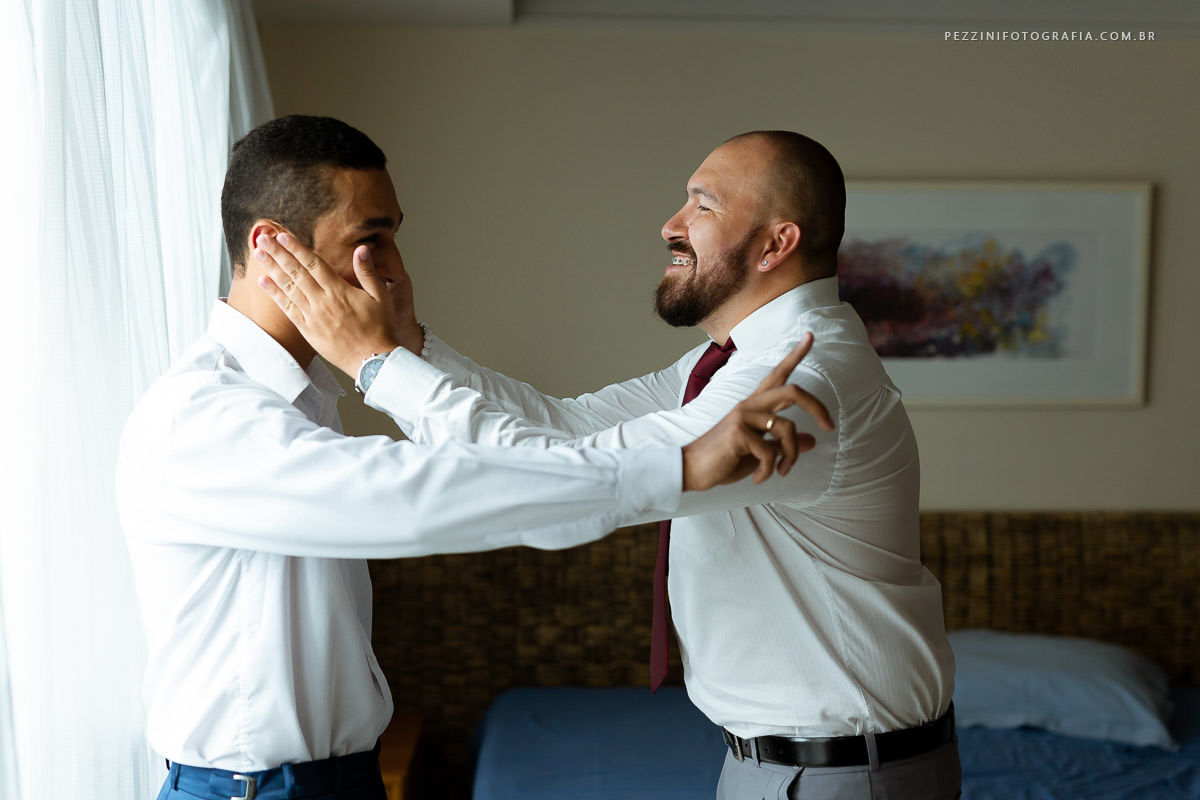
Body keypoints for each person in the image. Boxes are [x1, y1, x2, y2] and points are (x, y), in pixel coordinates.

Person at [115, 116, 829, 800]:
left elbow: (559, 429)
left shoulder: (303, 398)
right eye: (373, 239)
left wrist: (404, 350)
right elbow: (422, 494)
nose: (394, 270)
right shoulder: (206, 418)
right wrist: (678, 468)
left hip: (336, 783)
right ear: (273, 248)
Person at [259, 130, 960, 799]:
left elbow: (565, 476)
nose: (670, 223)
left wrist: (374, 365)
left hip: (840, 777)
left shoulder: (802, 379)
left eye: (703, 205)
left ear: (778, 243)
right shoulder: (728, 366)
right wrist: (409, 348)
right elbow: (562, 428)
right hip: (786, 766)